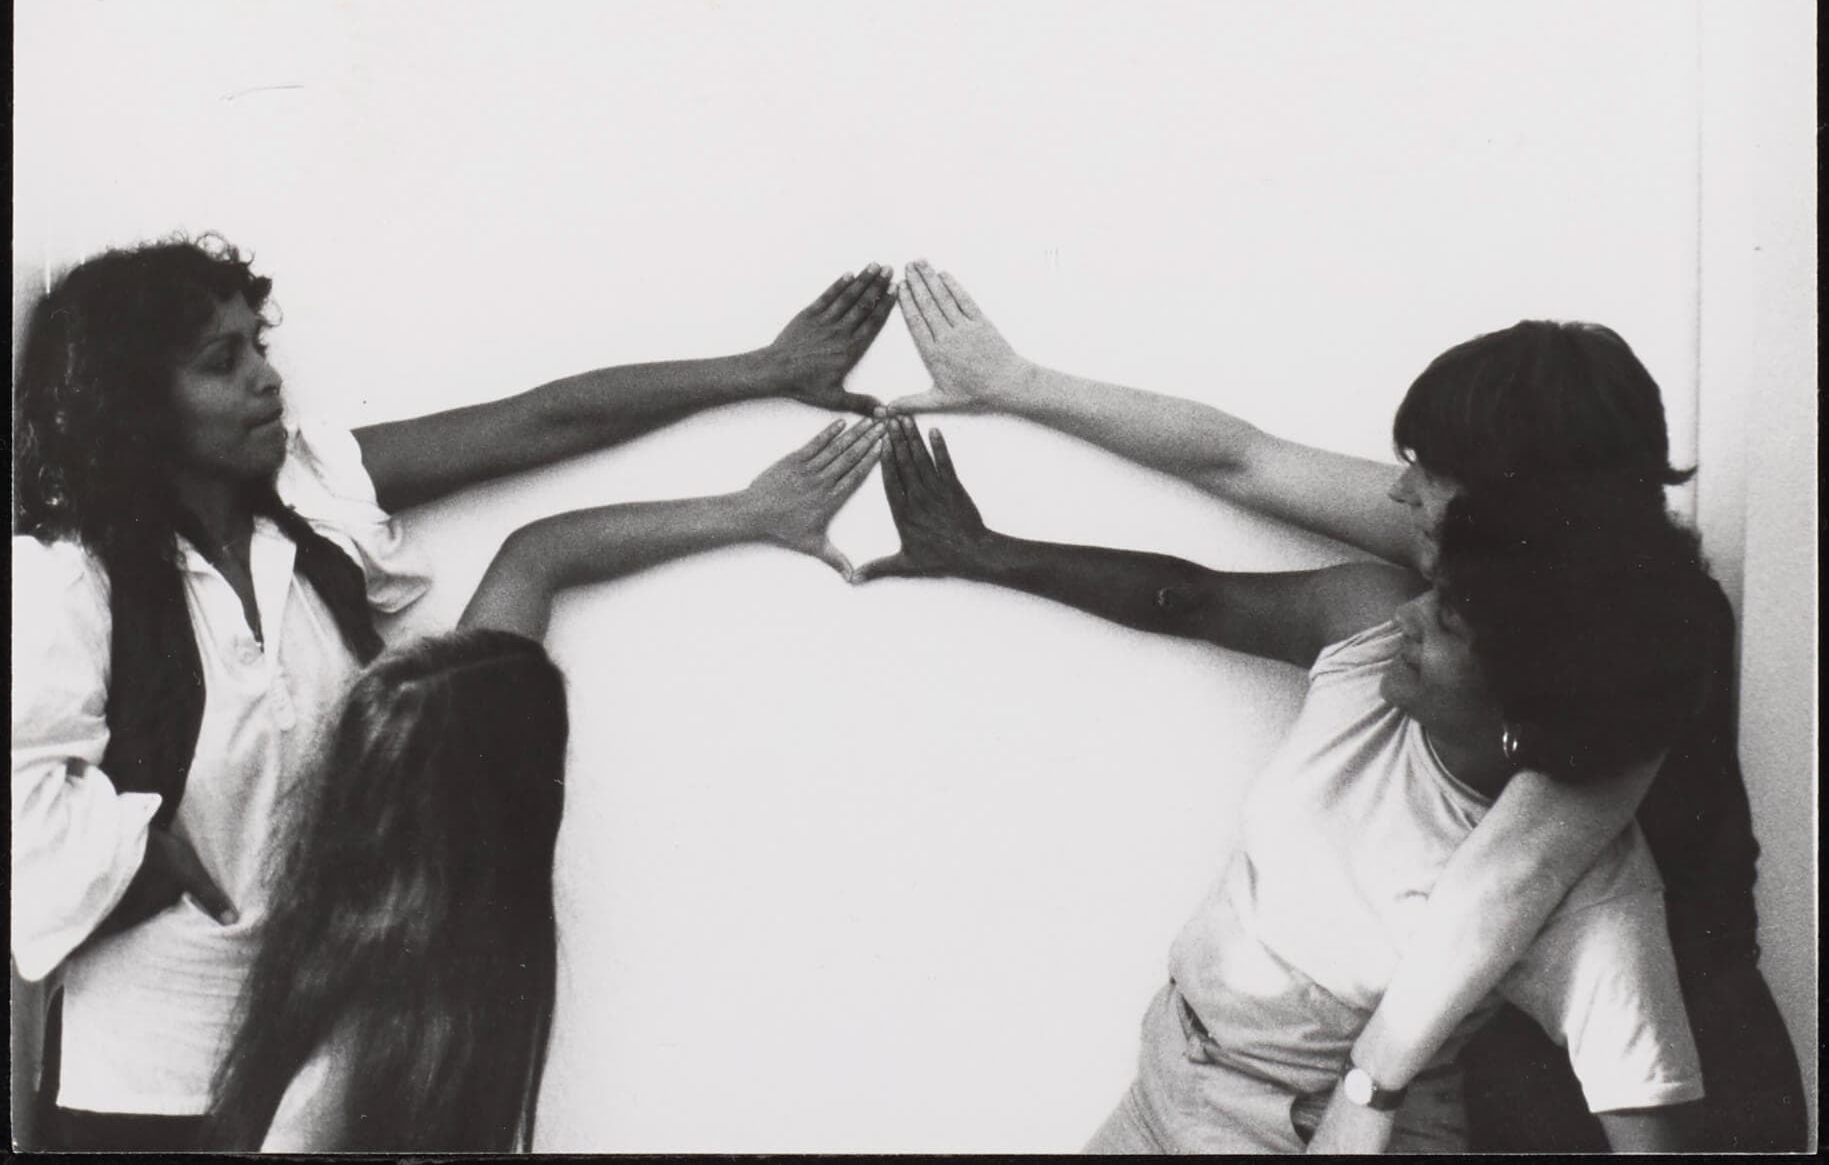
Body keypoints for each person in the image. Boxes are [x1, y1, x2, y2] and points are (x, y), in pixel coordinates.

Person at [880, 262, 1804, 1153]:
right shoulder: (1486, 576)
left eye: (1429, 470)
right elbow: (1239, 459)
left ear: (1514, 505)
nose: (1402, 491)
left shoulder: (1646, 633)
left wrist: (1370, 1086)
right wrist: (1016, 383)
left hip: (1643, 1058)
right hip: (1454, 1048)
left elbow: (1505, 883)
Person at [10, 232, 894, 1149]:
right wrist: (150, 854)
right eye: (219, 362)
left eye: (257, 348)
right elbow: (21, 810)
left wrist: (763, 370)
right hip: (145, 1082)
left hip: (321, 1054)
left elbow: (535, 425)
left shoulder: (307, 513)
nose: (264, 380)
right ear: (138, 406)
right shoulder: (69, 578)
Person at [207, 415, 885, 1152]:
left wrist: (752, 508)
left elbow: (537, 556)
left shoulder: (431, 780)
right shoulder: (367, 1018)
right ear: (513, 802)